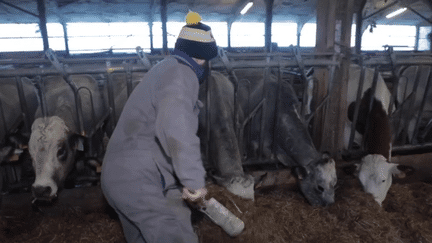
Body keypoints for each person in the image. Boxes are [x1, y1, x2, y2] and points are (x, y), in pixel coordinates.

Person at [101, 11, 218, 243]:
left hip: (124, 178)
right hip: (136, 180)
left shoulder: (164, 68)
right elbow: (177, 130)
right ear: (203, 59)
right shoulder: (182, 74)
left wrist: (180, 183)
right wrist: (193, 181)